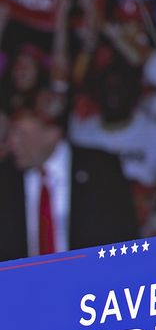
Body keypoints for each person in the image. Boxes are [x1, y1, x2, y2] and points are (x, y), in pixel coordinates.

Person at [0, 104, 138, 261]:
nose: (12, 143)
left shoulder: (100, 169)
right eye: (11, 134)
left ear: (53, 133)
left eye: (21, 134)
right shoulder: (6, 179)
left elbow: (123, 236)